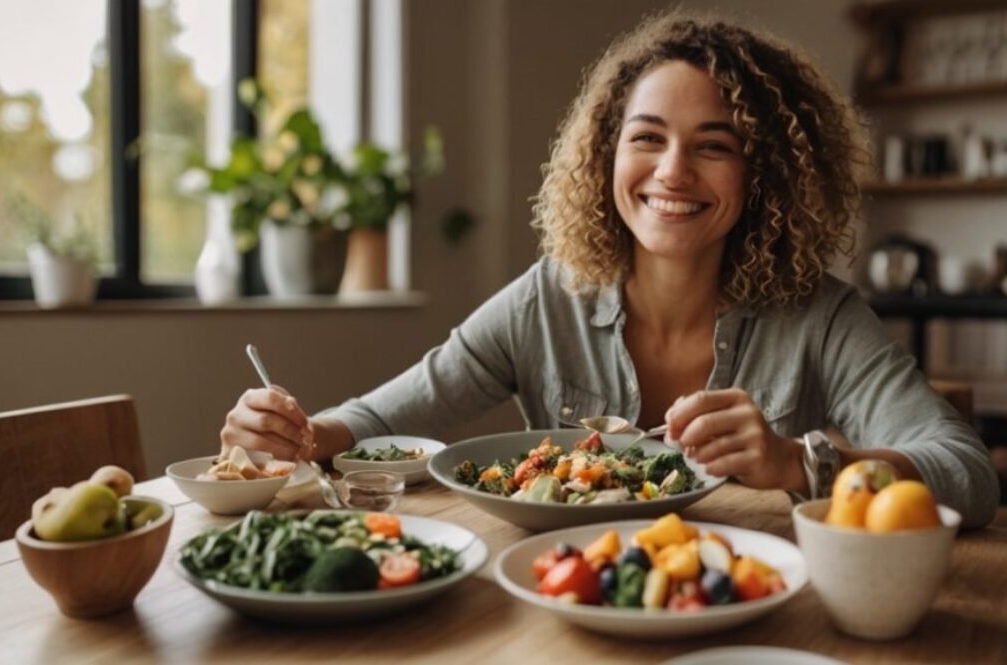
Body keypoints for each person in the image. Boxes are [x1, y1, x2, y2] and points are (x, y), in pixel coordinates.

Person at [222, 11, 999, 527]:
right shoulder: (544, 300)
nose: (673, 172)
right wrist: (301, 432)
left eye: (715, 145)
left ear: (764, 177)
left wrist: (801, 461)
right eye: (647, 137)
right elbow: (398, 413)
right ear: (605, 157)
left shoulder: (820, 316)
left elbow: (969, 474)